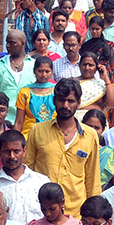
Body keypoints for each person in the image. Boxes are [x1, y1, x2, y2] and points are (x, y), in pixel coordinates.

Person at [25, 78, 102, 216]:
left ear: (79, 103)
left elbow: (92, 179)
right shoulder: (37, 130)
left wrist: (92, 214)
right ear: (54, 101)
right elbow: (27, 171)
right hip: (41, 212)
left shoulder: (90, 135)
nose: (65, 105)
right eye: (61, 100)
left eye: (71, 101)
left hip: (75, 213)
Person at [0, 129, 50, 224]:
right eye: (7, 151)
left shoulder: (42, 183)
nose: (12, 156)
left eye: (16, 151)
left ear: (24, 151)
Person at [13, 56, 57, 134]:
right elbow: (19, 122)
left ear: (52, 72)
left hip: (53, 135)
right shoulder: (25, 92)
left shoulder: (56, 91)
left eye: (47, 71)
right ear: (34, 71)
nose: (43, 75)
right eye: (40, 71)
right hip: (29, 135)